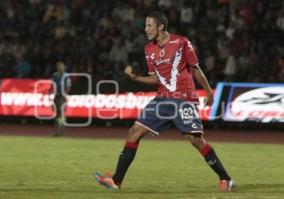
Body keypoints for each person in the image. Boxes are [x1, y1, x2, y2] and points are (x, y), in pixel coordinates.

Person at [95, 11, 236, 192]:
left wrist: (209, 92)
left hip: (182, 98)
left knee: (196, 140)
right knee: (134, 132)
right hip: (162, 99)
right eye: (145, 26)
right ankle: (117, 181)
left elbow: (195, 69)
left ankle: (226, 178)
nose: (145, 29)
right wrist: (135, 77)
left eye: (149, 25)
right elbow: (156, 80)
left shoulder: (181, 42)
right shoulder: (149, 50)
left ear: (160, 26)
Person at [52, 61, 71, 136]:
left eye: (61, 66)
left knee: (62, 114)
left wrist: (65, 95)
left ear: (64, 67)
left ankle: (62, 131)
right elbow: (53, 85)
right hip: (56, 96)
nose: (59, 67)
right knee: (57, 114)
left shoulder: (67, 76)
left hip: (62, 96)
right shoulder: (55, 75)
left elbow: (68, 87)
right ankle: (57, 131)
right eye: (58, 66)